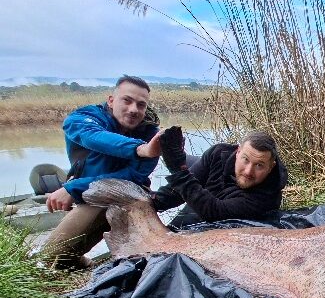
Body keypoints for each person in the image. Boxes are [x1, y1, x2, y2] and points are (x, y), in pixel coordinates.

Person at [41, 75, 162, 268]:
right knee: (51, 257)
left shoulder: (152, 135)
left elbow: (132, 177)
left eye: (141, 105)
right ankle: (85, 264)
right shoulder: (82, 119)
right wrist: (139, 149)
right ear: (111, 100)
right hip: (88, 194)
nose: (133, 109)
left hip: (128, 197)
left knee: (54, 255)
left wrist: (73, 188)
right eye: (127, 100)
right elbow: (95, 137)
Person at [152, 129, 288, 228]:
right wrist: (152, 202)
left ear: (271, 167)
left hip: (219, 231)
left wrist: (178, 170)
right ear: (238, 152)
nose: (248, 171)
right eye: (245, 159)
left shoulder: (268, 198)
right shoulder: (217, 154)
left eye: (259, 165)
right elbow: (177, 192)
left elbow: (214, 212)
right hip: (201, 205)